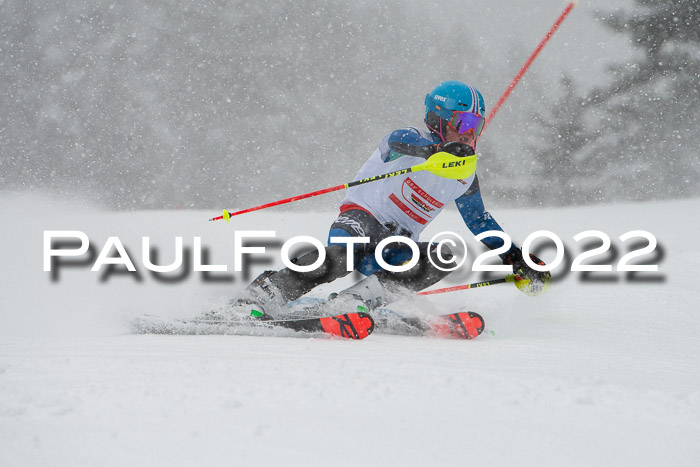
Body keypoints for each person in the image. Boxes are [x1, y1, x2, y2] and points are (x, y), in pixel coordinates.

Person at [236, 80, 550, 317]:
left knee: (444, 255)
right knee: (342, 255)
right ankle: (268, 292)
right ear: (439, 120)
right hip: (360, 220)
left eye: (476, 126)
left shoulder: (464, 174)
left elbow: (479, 220)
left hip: (395, 246)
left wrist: (515, 257)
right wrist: (436, 151)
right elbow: (403, 142)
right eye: (464, 124)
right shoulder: (406, 139)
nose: (470, 134)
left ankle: (356, 300)